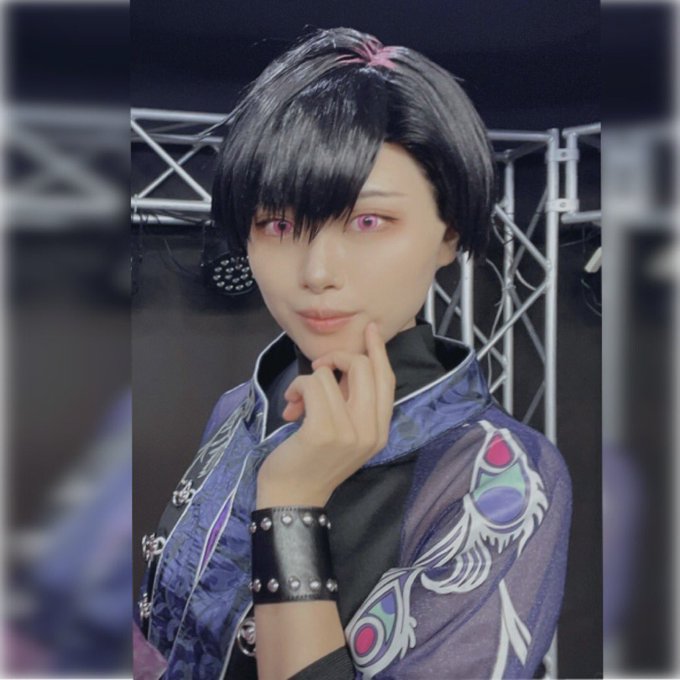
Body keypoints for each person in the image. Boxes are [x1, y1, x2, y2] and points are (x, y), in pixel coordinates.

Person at [135, 26, 572, 680]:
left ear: (449, 233)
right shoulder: (240, 409)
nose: (317, 272)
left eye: (368, 221)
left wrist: (291, 500)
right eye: (278, 224)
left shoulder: (497, 476)